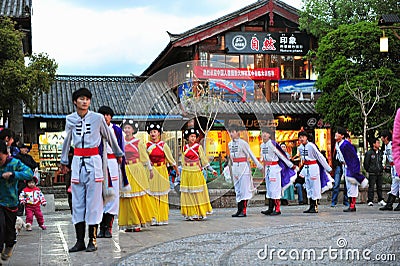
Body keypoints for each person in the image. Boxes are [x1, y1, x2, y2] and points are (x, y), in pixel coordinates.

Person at [60, 88, 123, 253]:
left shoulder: (98, 118)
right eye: (81, 98)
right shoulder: (70, 119)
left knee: (94, 202)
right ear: (75, 101)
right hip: (77, 163)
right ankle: (79, 241)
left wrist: (118, 153)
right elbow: (67, 140)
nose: (84, 101)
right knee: (77, 202)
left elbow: (109, 136)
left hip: (94, 163)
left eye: (87, 99)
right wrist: (64, 160)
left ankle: (92, 240)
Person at [119, 119, 155, 232]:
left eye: (129, 128)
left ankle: (138, 221)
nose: (127, 130)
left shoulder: (138, 142)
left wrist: (150, 169)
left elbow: (144, 157)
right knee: (126, 197)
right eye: (125, 128)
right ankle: (129, 222)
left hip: (136, 168)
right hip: (125, 169)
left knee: (136, 195)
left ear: (133, 130)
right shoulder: (120, 141)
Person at [0, 139, 33, 262]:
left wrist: (14, 175)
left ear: (5, 154)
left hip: (11, 202)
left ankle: (9, 245)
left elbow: (29, 173)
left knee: (9, 232)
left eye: (0, 159)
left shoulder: (14, 163)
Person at [97, 106, 125, 238]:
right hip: (99, 163)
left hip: (113, 163)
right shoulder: (95, 130)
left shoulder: (117, 130)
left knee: (113, 194)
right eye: (103, 115)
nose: (105, 117)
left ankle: (108, 227)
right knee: (100, 195)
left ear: (111, 117)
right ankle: (100, 227)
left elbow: (122, 149)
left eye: (108, 115)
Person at [146, 122, 179, 225]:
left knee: (162, 194)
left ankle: (162, 217)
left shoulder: (163, 145)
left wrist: (177, 170)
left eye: (155, 132)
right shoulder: (146, 145)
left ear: (159, 133)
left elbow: (171, 159)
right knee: (152, 193)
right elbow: (144, 159)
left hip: (162, 169)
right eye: (151, 132)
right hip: (151, 171)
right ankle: (153, 216)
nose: (153, 134)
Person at [180, 128, 217, 220]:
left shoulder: (198, 147)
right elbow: (182, 161)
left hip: (196, 171)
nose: (193, 138)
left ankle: (198, 212)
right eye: (191, 136)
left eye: (194, 137)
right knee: (188, 193)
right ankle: (190, 213)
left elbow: (204, 160)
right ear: (187, 138)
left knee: (197, 192)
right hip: (186, 171)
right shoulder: (184, 148)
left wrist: (211, 170)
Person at [227, 124, 263, 217]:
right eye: (229, 132)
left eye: (232, 132)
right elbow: (231, 157)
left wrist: (259, 165)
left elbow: (251, 154)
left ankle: (244, 210)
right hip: (235, 167)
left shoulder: (243, 143)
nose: (231, 134)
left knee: (244, 189)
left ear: (237, 133)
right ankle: (239, 209)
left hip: (243, 167)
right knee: (237, 189)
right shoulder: (229, 144)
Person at [259, 129, 297, 216]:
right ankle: (270, 208)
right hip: (267, 168)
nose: (264, 135)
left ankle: (277, 208)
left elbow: (281, 155)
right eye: (263, 133)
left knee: (275, 189)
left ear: (269, 135)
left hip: (274, 169)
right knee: (269, 189)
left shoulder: (272, 144)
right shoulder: (262, 145)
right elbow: (262, 157)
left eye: (266, 133)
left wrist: (291, 165)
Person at [298, 131, 333, 213]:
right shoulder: (300, 148)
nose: (301, 139)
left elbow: (319, 156)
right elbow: (304, 160)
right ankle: (311, 205)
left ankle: (315, 206)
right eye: (300, 137)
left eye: (303, 137)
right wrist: (302, 172)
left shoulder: (311, 146)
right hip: (306, 168)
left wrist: (328, 168)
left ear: (306, 137)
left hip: (313, 167)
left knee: (314, 186)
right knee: (308, 186)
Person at [335, 127, 368, 212]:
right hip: (344, 166)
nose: (336, 134)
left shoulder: (346, 144)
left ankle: (352, 205)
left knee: (352, 186)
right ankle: (351, 204)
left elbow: (353, 157)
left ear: (342, 136)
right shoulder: (338, 144)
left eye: (338, 133)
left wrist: (354, 168)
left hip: (350, 166)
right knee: (349, 185)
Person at [15, 144, 39, 216]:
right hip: (21, 179)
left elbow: (34, 164)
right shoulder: (17, 157)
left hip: (29, 179)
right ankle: (20, 210)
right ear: (20, 149)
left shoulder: (29, 157)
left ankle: (30, 210)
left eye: (26, 148)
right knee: (21, 194)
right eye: (24, 148)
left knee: (30, 194)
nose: (26, 150)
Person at [379, 130, 400, 211]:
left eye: (382, 137)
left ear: (386, 137)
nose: (381, 138)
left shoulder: (393, 145)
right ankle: (389, 204)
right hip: (393, 166)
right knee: (394, 185)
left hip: (397, 165)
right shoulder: (386, 146)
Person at [364, 137, 385, 207]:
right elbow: (366, 163)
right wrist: (369, 170)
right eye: (377, 142)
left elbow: (381, 161)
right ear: (373, 144)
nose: (379, 144)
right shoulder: (369, 153)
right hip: (372, 173)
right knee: (371, 187)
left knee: (379, 187)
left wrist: (381, 168)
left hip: (379, 172)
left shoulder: (380, 153)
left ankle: (380, 199)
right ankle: (370, 200)